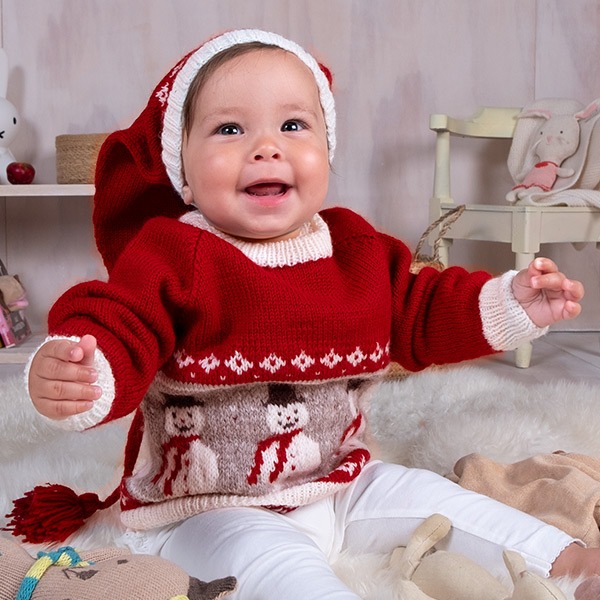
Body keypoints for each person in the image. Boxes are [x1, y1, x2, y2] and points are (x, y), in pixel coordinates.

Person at [8, 29, 598, 599]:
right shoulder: (175, 253)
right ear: (183, 173)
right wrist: (84, 367)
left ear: (326, 149)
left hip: (341, 484)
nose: (267, 146)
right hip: (211, 511)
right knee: (274, 569)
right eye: (229, 128)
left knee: (435, 499)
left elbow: (422, 310)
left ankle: (568, 563)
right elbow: (122, 321)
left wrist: (507, 302)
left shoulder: (354, 249)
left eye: (293, 125)